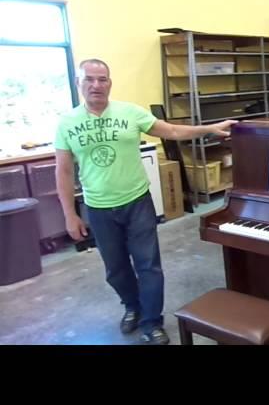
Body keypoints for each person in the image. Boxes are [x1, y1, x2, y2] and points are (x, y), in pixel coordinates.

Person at [54, 58, 237, 345]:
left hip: (137, 202)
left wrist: (210, 129)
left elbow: (173, 131)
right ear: (78, 83)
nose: (96, 85)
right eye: (89, 79)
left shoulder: (130, 113)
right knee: (115, 270)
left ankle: (152, 322)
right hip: (99, 209)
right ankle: (132, 306)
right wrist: (69, 214)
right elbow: (63, 171)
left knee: (148, 265)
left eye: (102, 79)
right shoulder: (66, 123)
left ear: (110, 83)